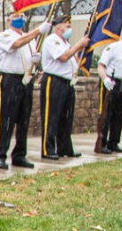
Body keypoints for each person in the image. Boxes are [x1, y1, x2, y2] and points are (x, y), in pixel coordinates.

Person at [0, 11, 48, 168]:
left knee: (24, 119)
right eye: (17, 17)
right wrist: (38, 31)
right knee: (6, 119)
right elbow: (16, 44)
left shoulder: (29, 38)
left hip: (26, 80)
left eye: (22, 17)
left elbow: (28, 56)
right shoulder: (5, 35)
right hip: (10, 80)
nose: (21, 20)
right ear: (9, 20)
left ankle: (19, 154)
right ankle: (0, 155)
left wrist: (36, 62)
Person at [39, 15, 90, 160]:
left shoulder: (66, 43)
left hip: (67, 83)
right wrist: (79, 44)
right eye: (67, 26)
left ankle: (64, 147)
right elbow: (63, 57)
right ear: (58, 27)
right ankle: (48, 149)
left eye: (70, 26)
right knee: (51, 117)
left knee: (66, 117)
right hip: (54, 81)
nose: (69, 29)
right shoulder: (52, 40)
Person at [95, 22, 122, 154]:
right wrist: (105, 78)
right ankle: (102, 143)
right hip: (111, 83)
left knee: (119, 114)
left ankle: (114, 142)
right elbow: (101, 65)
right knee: (107, 114)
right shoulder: (112, 48)